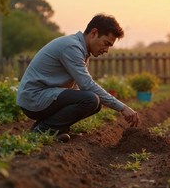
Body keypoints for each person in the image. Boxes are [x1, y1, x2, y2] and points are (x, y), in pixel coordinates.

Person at [16, 14, 140, 142]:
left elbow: (76, 87)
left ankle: (47, 127)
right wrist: (122, 107)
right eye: (106, 43)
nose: (106, 50)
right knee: (91, 99)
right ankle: (42, 131)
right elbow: (87, 85)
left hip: (44, 97)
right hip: (34, 98)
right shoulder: (72, 47)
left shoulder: (82, 50)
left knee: (95, 103)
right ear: (94, 33)